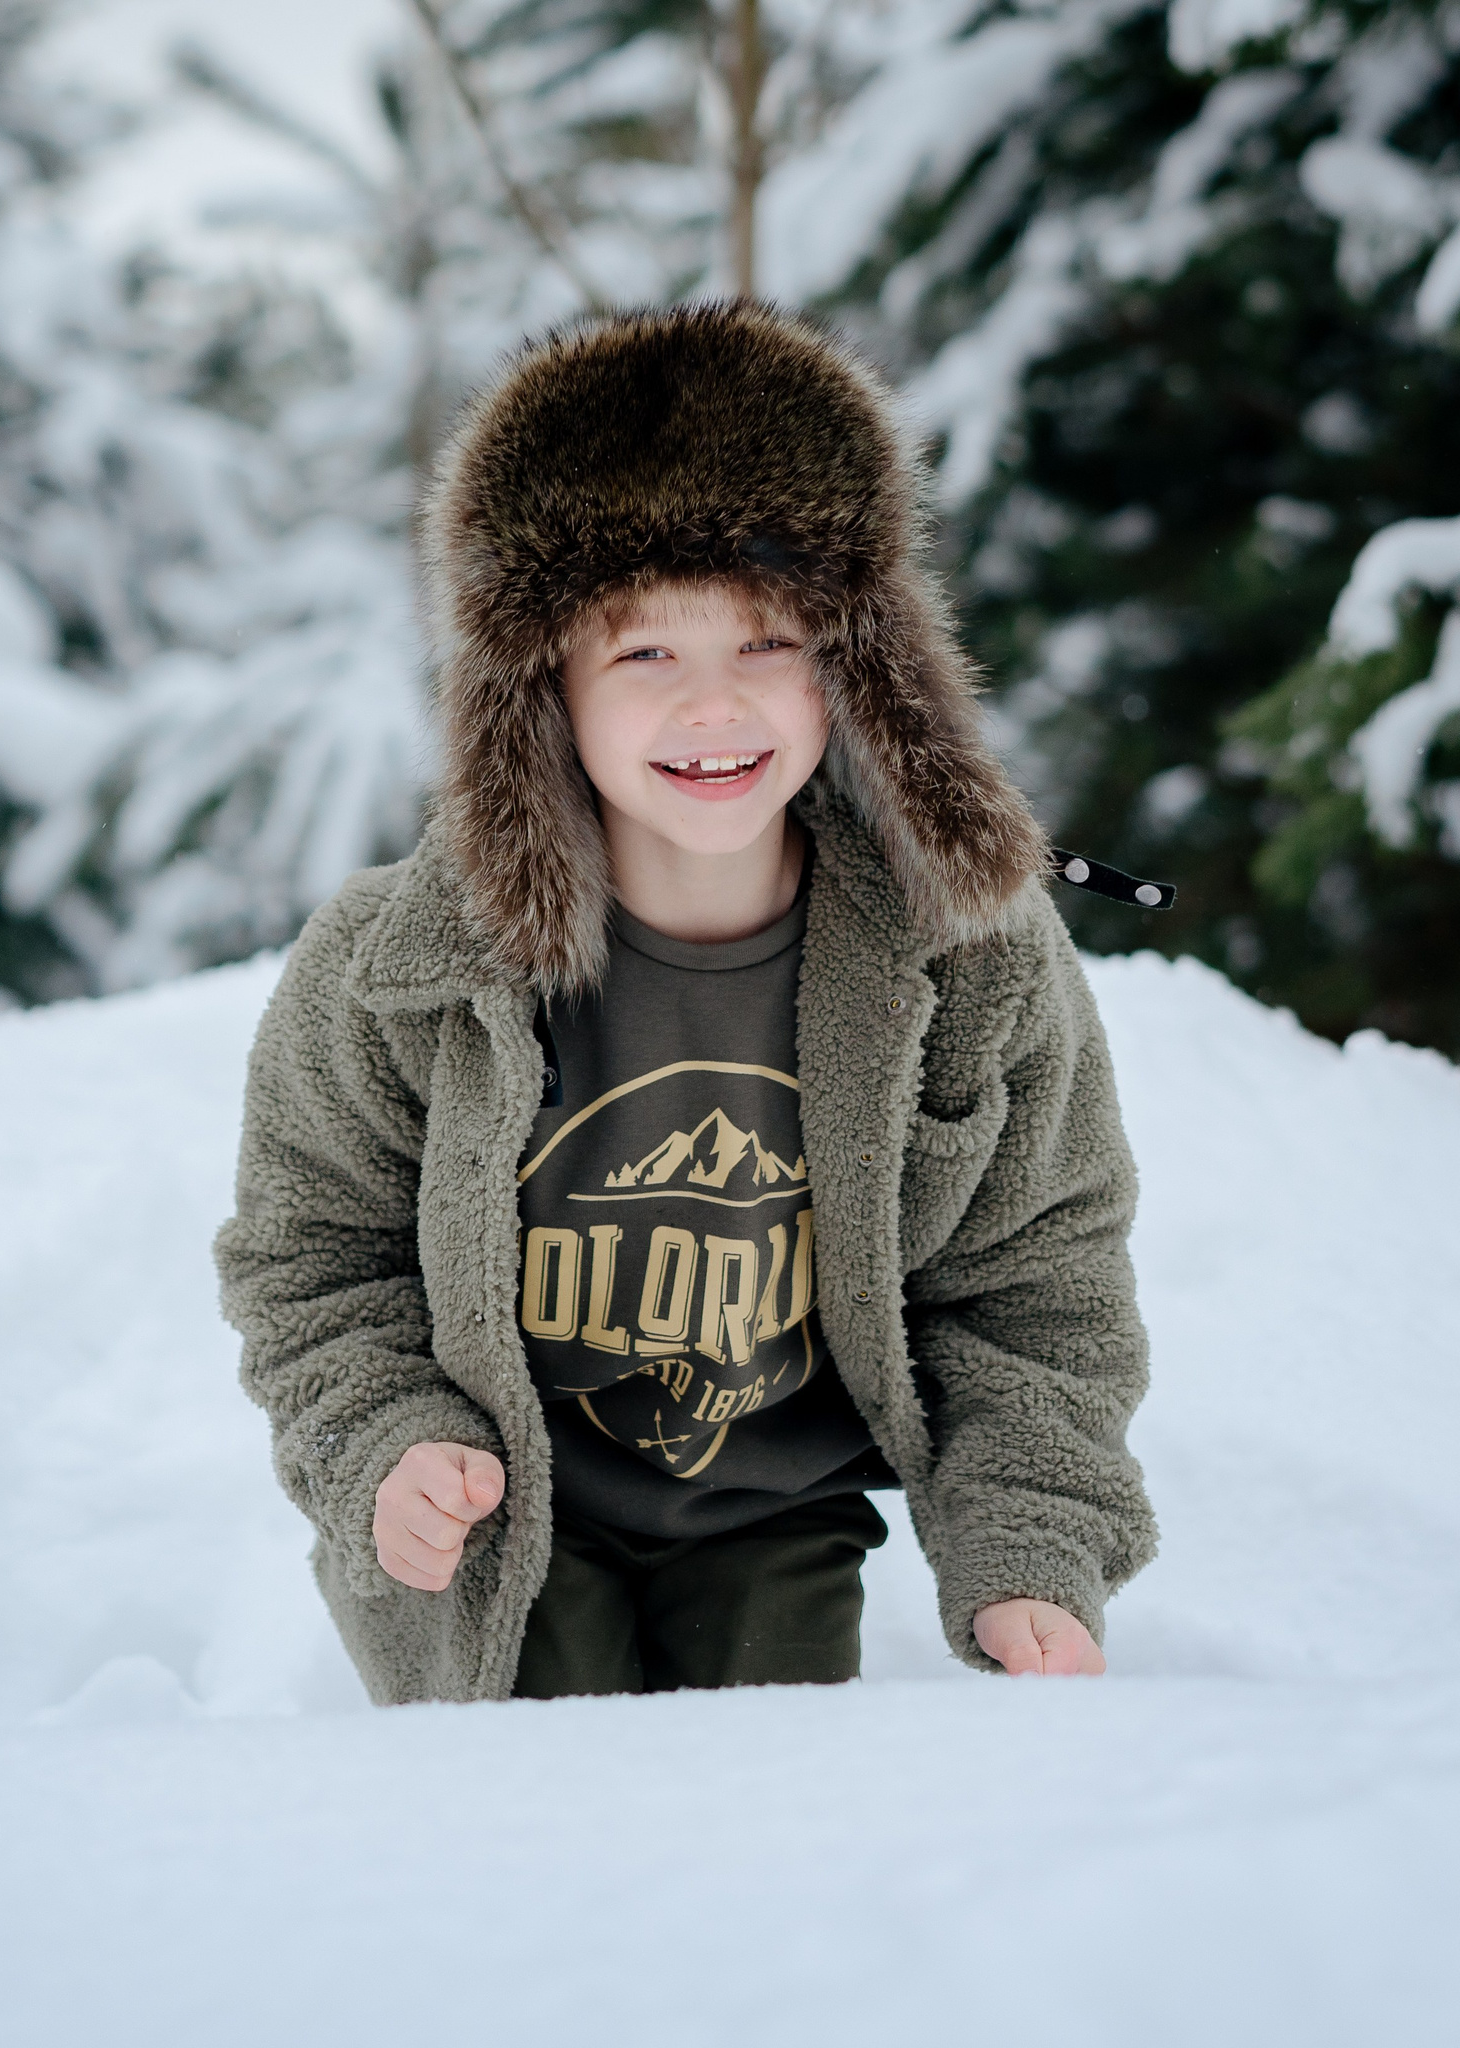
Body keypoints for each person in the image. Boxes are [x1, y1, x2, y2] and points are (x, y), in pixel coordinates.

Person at [214, 303, 1155, 1704]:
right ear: (540, 693)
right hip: (503, 1525)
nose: (714, 708)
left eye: (768, 644)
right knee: (539, 1826)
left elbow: (1035, 1282)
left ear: (858, 666)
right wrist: (383, 1445)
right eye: (646, 655)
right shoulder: (392, 970)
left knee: (764, 1834)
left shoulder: (968, 958)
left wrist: (1029, 1544)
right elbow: (314, 1260)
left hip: (778, 1515)